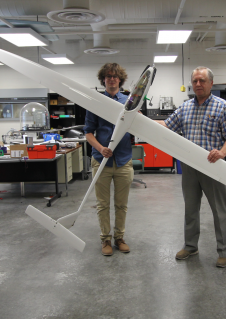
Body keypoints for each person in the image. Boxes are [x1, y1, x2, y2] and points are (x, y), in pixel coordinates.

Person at [156, 66, 226, 268]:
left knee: (220, 211)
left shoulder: (222, 106)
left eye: (202, 80)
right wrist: (141, 120)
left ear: (211, 83)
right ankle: (190, 246)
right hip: (190, 166)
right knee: (190, 209)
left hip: (213, 166)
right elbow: (167, 126)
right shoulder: (185, 107)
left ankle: (225, 251)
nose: (198, 84)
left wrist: (222, 152)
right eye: (195, 81)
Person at [84, 63, 134, 256]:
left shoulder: (130, 101)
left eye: (115, 76)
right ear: (103, 79)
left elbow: (135, 127)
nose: (112, 79)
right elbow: (88, 132)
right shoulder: (95, 101)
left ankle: (119, 238)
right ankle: (105, 239)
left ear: (120, 79)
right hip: (100, 160)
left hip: (123, 160)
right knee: (102, 204)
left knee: (122, 204)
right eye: (108, 76)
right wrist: (100, 148)